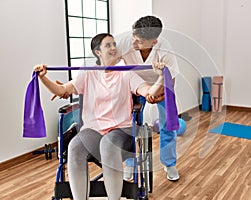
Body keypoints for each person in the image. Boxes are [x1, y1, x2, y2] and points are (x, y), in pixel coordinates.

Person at [34, 33, 165, 200]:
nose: (114, 48)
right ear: (98, 52)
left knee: (108, 145)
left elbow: (148, 92)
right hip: (93, 129)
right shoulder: (87, 73)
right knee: (74, 147)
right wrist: (43, 77)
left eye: (114, 44)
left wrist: (160, 77)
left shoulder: (126, 73)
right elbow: (62, 90)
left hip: (120, 129)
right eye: (108, 45)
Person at [116, 16, 180, 181]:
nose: (133, 44)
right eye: (134, 38)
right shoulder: (125, 42)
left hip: (161, 84)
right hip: (137, 84)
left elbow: (171, 79)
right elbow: (107, 63)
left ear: (154, 41)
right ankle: (131, 163)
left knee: (168, 124)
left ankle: (169, 163)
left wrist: (159, 94)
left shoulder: (166, 50)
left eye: (139, 42)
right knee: (130, 125)